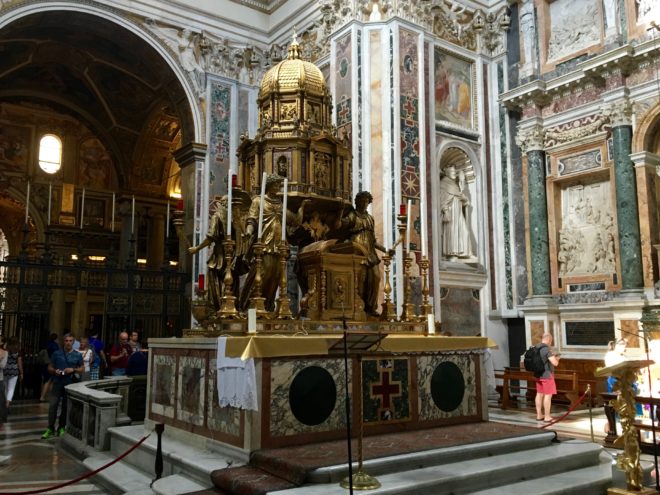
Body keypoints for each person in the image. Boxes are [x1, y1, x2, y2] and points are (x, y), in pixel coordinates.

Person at [239, 174, 308, 311]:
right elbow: (252, 219)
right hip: (264, 245)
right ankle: (248, 307)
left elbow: (294, 221)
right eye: (276, 185)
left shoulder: (280, 205)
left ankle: (267, 307)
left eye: (279, 185)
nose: (278, 187)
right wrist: (248, 232)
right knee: (262, 275)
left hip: (279, 247)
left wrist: (302, 208)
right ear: (269, 185)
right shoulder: (258, 201)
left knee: (275, 278)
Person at [338, 191, 390, 316]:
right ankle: (357, 307)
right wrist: (339, 211)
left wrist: (385, 250)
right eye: (362, 201)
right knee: (359, 280)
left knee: (375, 278)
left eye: (367, 201)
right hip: (357, 251)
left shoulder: (370, 218)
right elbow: (339, 225)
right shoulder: (352, 216)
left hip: (370, 252)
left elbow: (373, 241)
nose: (364, 203)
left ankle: (371, 308)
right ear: (357, 201)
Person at [42, 334, 83, 439]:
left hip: (70, 384)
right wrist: (55, 371)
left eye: (70, 341)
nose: (68, 342)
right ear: (63, 342)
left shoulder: (77, 355)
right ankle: (50, 428)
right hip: (57, 382)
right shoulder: (57, 354)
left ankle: (61, 427)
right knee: (53, 406)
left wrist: (73, 370)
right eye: (66, 341)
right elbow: (49, 367)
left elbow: (82, 369)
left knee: (65, 407)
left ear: (73, 342)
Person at [439, 165, 472, 261]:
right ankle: (451, 253)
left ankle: (462, 252)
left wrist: (464, 200)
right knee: (452, 231)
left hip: (458, 212)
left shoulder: (454, 184)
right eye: (453, 172)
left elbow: (459, 196)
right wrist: (445, 211)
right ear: (447, 173)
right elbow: (442, 200)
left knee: (463, 231)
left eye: (455, 172)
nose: (455, 174)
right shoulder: (443, 183)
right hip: (451, 212)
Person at [534, 333, 560, 422]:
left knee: (539, 394)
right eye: (551, 341)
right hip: (547, 375)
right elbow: (555, 363)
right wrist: (557, 358)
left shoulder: (535, 347)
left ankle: (539, 415)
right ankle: (547, 416)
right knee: (548, 396)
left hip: (538, 374)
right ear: (549, 340)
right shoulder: (546, 349)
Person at [3, 337, 23, 407]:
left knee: (5, 388)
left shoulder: (5, 350)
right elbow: (19, 363)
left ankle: (5, 402)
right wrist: (21, 373)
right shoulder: (17, 351)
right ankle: (7, 404)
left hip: (5, 370)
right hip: (14, 371)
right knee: (11, 388)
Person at [0, 336, 7, 426]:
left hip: (0, 379)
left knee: (1, 399)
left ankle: (2, 417)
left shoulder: (5, 353)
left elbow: (2, 366)